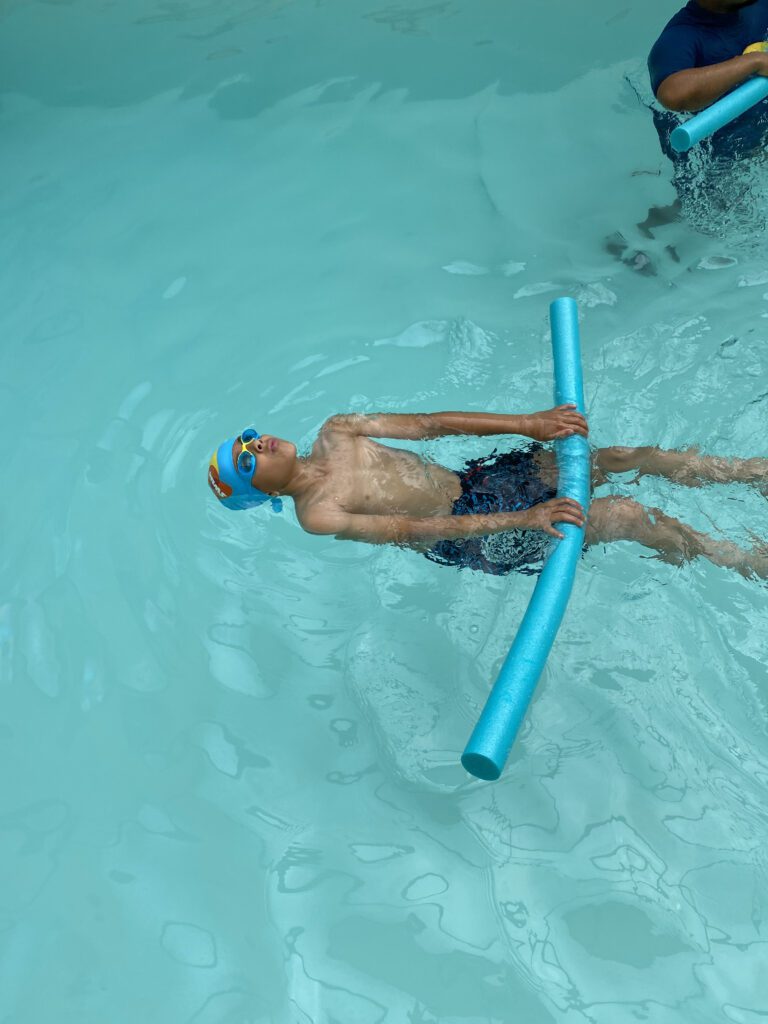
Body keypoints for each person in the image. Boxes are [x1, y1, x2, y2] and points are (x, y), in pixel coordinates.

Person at [207, 409, 768, 580]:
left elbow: (431, 426)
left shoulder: (338, 429)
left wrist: (529, 425)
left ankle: (749, 472)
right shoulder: (320, 515)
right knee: (623, 513)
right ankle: (740, 559)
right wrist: (525, 517)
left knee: (615, 459)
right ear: (258, 490)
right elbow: (412, 531)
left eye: (248, 438)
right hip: (470, 536)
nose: (258, 444)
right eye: (247, 459)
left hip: (478, 485)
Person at [648, 0, 768, 162]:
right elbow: (672, 94)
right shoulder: (677, 40)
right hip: (729, 158)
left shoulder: (758, 6)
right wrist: (753, 62)